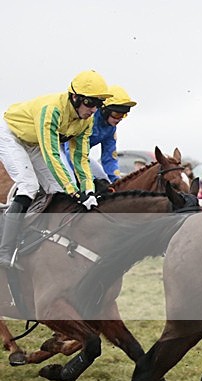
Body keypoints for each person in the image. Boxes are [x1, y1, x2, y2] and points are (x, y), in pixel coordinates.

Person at [0, 70, 112, 268]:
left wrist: (88, 190)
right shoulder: (52, 109)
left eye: (98, 104)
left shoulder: (85, 122)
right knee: (29, 186)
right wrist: (75, 192)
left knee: (58, 190)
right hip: (11, 135)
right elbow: (52, 155)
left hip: (32, 141)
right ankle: (5, 251)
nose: (93, 109)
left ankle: (38, 238)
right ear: (75, 97)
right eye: (89, 103)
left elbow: (81, 158)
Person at [65, 85, 137, 185]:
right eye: (116, 114)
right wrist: (90, 179)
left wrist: (116, 180)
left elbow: (109, 157)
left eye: (123, 115)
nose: (119, 119)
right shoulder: (87, 119)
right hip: (61, 152)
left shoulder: (111, 129)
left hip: (80, 156)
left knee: (105, 181)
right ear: (104, 109)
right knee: (71, 183)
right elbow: (70, 151)